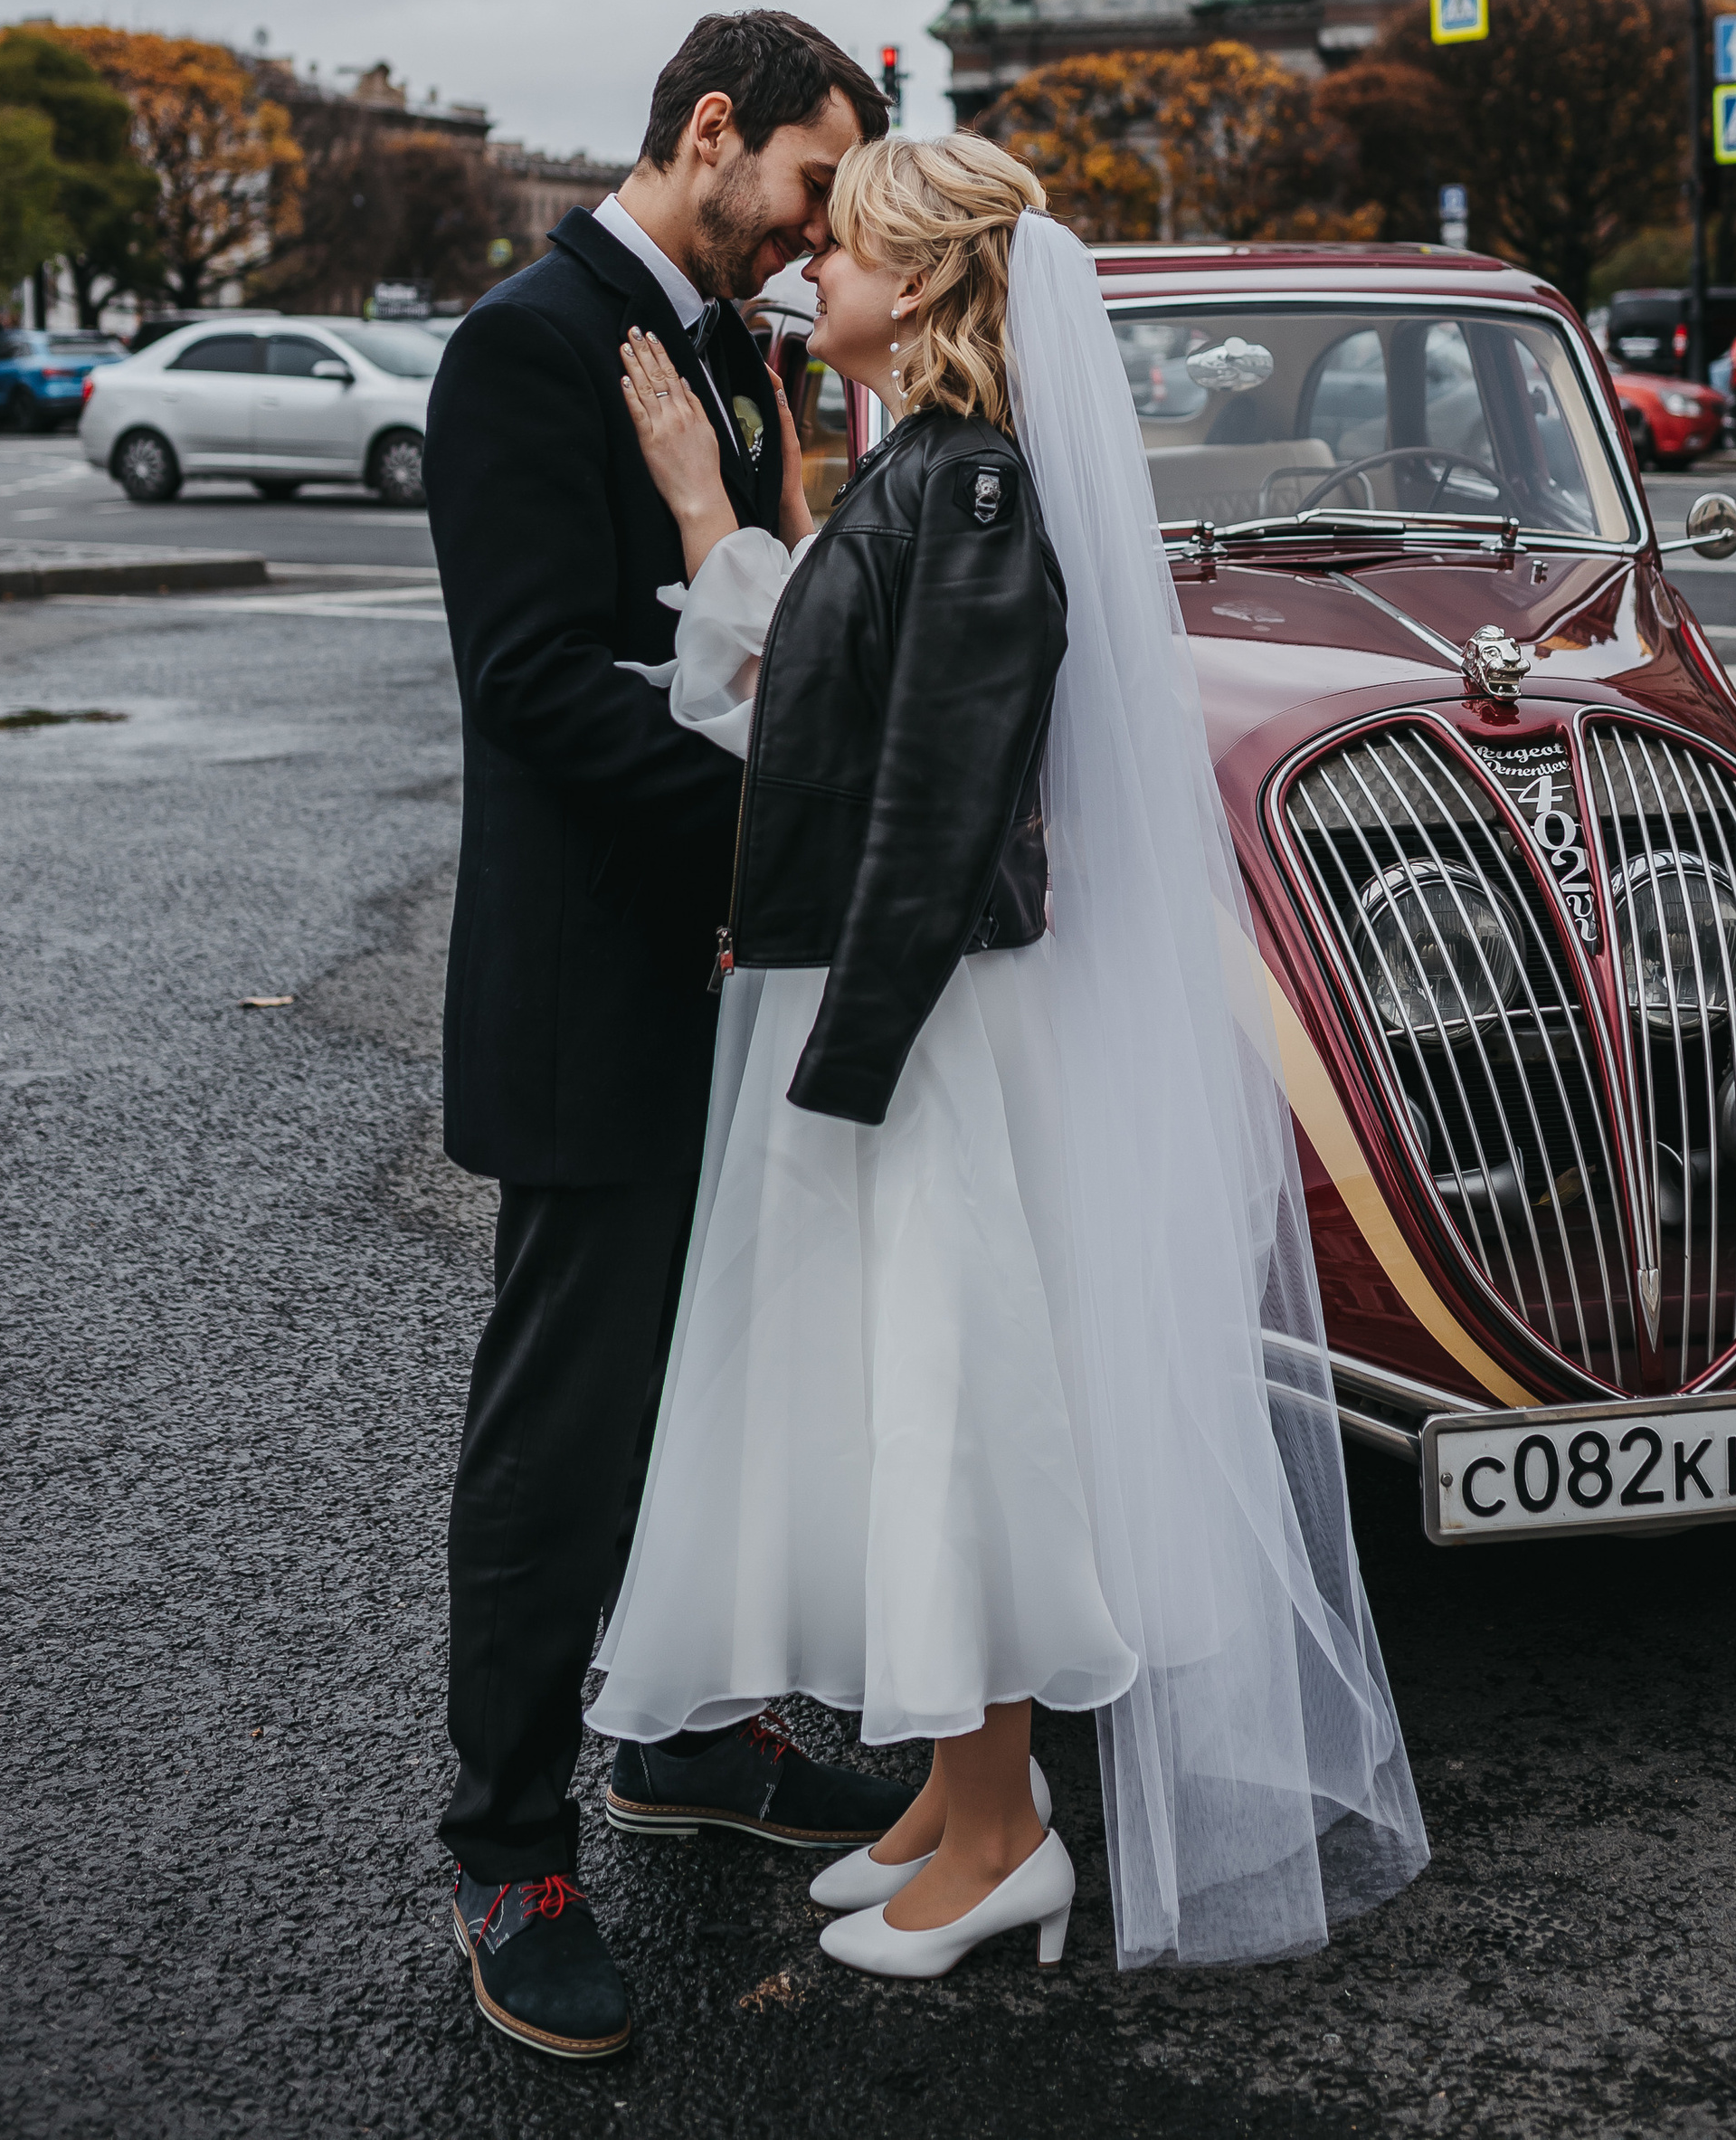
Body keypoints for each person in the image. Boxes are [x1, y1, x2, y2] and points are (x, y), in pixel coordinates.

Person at [588, 132, 1429, 1977]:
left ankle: (998, 1839)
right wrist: (712, 517)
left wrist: (853, 1057)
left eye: (854, 250)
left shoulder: (963, 492)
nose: (814, 270)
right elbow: (833, 713)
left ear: (937, 288)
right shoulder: (926, 472)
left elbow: (937, 803)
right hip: (909, 1012)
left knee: (951, 1413)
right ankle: (956, 1806)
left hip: (926, 1024)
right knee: (924, 1402)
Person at [427, 8, 910, 2065]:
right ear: (710, 133)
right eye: (806, 184)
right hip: (599, 977)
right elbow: (538, 680)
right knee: (570, 1420)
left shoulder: (726, 348)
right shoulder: (521, 348)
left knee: (720, 1379)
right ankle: (512, 1848)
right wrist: (776, 848)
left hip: (733, 972)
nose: (814, 238)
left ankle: (694, 1740)